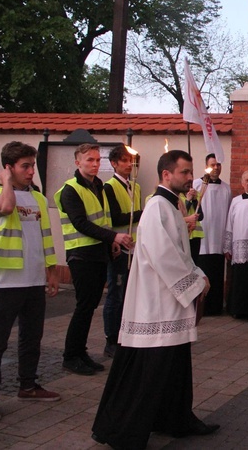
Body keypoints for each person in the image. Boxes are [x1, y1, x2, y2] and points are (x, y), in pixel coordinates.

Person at [91, 150, 218, 449]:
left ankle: (176, 419)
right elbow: (164, 257)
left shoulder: (170, 207)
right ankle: (124, 430)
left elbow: (180, 253)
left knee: (174, 366)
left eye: (190, 172)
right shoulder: (156, 207)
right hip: (156, 303)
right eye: (185, 172)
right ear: (166, 175)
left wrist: (198, 273)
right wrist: (197, 282)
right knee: (150, 369)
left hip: (169, 301)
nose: (190, 178)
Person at [0, 142, 60, 423]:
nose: (31, 172)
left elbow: (46, 237)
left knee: (32, 338)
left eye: (33, 165)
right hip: (4, 282)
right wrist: (6, 182)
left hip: (33, 281)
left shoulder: (39, 199)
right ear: (9, 168)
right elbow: (5, 209)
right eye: (25, 166)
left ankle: (28, 386)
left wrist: (51, 271)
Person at [55, 143, 133, 376]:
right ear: (77, 162)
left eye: (98, 160)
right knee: (84, 306)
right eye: (90, 160)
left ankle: (80, 352)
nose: (95, 164)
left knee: (90, 306)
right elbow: (81, 223)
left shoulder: (98, 185)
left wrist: (111, 244)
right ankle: (71, 356)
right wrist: (114, 236)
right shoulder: (70, 189)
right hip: (81, 254)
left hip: (99, 252)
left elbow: (103, 219)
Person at [102, 144, 143, 359]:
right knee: (116, 295)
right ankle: (111, 339)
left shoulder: (134, 186)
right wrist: (141, 213)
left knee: (129, 294)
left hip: (133, 246)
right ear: (114, 164)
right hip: (118, 248)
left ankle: (125, 334)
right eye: (124, 161)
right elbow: (116, 217)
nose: (129, 165)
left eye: (131, 161)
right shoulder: (109, 187)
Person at [192, 153, 231, 316]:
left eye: (219, 165)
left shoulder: (226, 188)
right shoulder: (196, 185)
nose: (216, 168)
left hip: (218, 237)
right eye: (213, 165)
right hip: (202, 238)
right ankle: (200, 306)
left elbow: (228, 213)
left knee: (216, 274)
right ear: (206, 166)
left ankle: (215, 307)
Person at [224, 170, 248, 319]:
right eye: (247, 180)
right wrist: (227, 246)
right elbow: (229, 223)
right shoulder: (236, 201)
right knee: (239, 279)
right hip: (238, 245)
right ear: (242, 183)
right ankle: (237, 309)